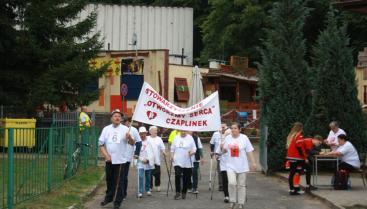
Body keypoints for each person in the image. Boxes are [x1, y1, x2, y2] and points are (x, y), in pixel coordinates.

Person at [98, 109, 134, 209]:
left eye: (119, 116)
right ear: (111, 118)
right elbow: (101, 144)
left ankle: (118, 201)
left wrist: (130, 138)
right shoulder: (106, 129)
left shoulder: (125, 129)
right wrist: (106, 156)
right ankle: (109, 198)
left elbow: (132, 143)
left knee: (119, 181)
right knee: (109, 180)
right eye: (115, 116)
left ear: (121, 119)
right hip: (109, 160)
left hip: (121, 160)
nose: (117, 117)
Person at [222, 122, 256, 209]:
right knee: (232, 183)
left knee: (241, 185)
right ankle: (232, 201)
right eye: (232, 128)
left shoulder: (244, 138)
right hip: (230, 165)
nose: (233, 130)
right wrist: (222, 148)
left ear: (239, 130)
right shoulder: (227, 138)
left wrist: (253, 163)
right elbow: (224, 151)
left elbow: (249, 151)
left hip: (242, 165)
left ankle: (241, 203)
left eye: (235, 128)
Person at [171, 130, 196, 200]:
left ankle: (184, 191)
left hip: (187, 161)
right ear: (180, 131)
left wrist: (192, 152)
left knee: (186, 177)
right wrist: (172, 156)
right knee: (177, 175)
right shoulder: (176, 137)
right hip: (177, 160)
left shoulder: (190, 138)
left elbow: (194, 148)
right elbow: (172, 149)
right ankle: (177, 192)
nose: (183, 132)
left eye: (185, 131)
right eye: (182, 131)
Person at [121, 117, 142, 200]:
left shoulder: (133, 130)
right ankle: (116, 192)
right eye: (123, 122)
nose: (123, 124)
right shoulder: (118, 129)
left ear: (129, 122)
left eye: (125, 122)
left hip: (127, 156)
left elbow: (139, 142)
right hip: (117, 156)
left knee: (123, 176)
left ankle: (123, 193)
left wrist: (136, 154)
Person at [286, 122, 306, 195]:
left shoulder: (291, 135)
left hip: (290, 156)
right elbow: (299, 146)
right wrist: (303, 156)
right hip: (297, 157)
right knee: (297, 172)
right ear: (301, 128)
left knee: (292, 173)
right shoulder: (299, 136)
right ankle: (295, 189)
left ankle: (292, 189)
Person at [136, 126, 155, 198]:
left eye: (143, 133)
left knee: (148, 177)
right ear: (139, 134)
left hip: (148, 161)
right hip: (140, 162)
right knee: (140, 176)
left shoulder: (150, 141)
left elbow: (153, 152)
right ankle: (140, 191)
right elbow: (135, 153)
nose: (142, 135)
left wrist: (148, 159)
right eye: (141, 134)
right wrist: (141, 159)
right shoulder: (137, 142)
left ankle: (148, 189)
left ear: (146, 133)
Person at [210, 123, 229, 191]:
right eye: (221, 127)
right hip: (218, 155)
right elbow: (212, 143)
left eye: (224, 127)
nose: (223, 128)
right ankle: (221, 185)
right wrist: (212, 151)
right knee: (220, 170)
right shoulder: (215, 134)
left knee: (227, 170)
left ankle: (227, 184)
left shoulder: (229, 133)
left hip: (228, 156)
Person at [148, 126, 166, 192]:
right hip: (149, 159)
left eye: (156, 130)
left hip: (157, 159)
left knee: (157, 173)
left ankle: (158, 185)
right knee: (149, 174)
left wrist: (164, 152)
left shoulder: (159, 139)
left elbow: (162, 147)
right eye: (154, 130)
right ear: (150, 132)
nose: (156, 131)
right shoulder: (147, 138)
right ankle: (150, 187)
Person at [215, 128, 231, 203]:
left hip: (233, 165)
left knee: (232, 181)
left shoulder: (235, 142)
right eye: (227, 134)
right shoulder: (222, 143)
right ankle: (226, 196)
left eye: (229, 134)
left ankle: (232, 194)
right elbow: (217, 154)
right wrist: (218, 155)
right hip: (224, 164)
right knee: (225, 180)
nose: (228, 136)